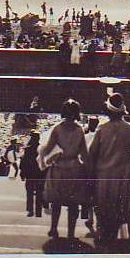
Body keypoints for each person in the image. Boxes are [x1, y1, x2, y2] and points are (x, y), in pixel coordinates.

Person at [87, 93, 130, 250]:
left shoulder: (101, 128)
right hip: (123, 175)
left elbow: (92, 152)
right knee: (120, 206)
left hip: (104, 174)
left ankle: (102, 237)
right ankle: (115, 240)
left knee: (103, 205)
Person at [40, 99, 89, 239]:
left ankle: (54, 228)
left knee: (57, 201)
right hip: (74, 169)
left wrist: (44, 162)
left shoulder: (57, 128)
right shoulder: (79, 130)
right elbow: (84, 153)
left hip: (59, 168)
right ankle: (71, 233)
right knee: (73, 203)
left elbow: (47, 148)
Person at [82, 117, 101, 234]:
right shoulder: (101, 137)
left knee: (89, 194)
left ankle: (90, 218)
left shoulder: (86, 137)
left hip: (88, 170)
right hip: (100, 170)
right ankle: (98, 220)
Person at [20, 131, 45, 217]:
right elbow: (45, 162)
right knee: (39, 193)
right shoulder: (42, 149)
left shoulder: (28, 149)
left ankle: (30, 210)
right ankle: (38, 211)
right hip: (39, 174)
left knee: (30, 192)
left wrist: (22, 173)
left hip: (30, 173)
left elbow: (23, 162)